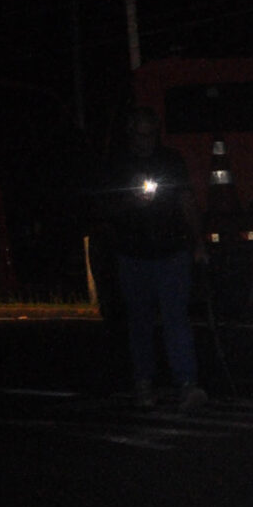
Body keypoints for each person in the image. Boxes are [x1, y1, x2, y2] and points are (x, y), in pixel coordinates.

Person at [103, 106, 206, 409]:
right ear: (131, 133)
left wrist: (198, 242)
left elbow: (186, 201)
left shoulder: (170, 161)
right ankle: (144, 383)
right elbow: (104, 209)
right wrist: (131, 201)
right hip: (133, 254)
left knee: (177, 319)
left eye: (151, 134)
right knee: (140, 322)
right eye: (140, 134)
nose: (145, 141)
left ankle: (187, 383)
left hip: (171, 252)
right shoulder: (119, 164)